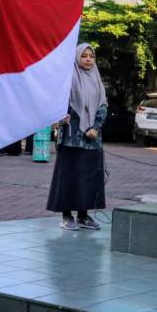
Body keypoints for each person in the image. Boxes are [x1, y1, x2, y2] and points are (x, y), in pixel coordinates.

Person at [46, 43, 108, 231]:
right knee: (69, 177)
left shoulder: (97, 80)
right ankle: (67, 216)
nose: (88, 59)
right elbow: (57, 105)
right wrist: (59, 116)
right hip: (72, 137)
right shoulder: (68, 79)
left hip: (92, 139)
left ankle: (83, 215)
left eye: (91, 56)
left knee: (89, 177)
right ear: (76, 58)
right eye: (84, 56)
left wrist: (95, 127)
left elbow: (103, 105)